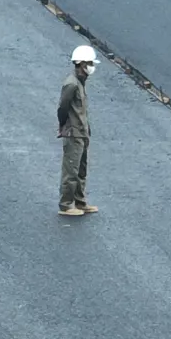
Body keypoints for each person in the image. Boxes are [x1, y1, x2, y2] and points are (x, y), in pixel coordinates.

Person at [58, 45, 99, 217]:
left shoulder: (81, 82)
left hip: (82, 133)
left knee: (81, 170)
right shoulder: (71, 84)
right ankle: (66, 205)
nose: (92, 67)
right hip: (73, 133)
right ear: (81, 63)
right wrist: (64, 126)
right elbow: (63, 107)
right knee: (71, 170)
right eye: (89, 63)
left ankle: (80, 202)